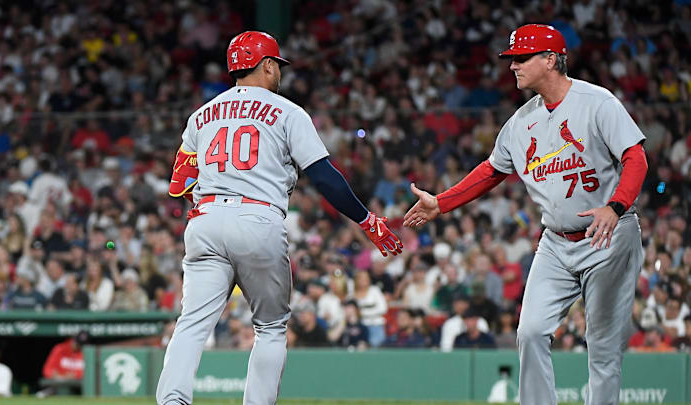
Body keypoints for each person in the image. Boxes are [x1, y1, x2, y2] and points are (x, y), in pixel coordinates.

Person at [404, 24, 647, 405]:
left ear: (551, 60)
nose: (512, 66)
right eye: (511, 59)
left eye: (521, 58)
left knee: (602, 346)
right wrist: (443, 202)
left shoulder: (597, 102)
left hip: (608, 237)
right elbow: (491, 171)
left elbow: (636, 158)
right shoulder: (521, 122)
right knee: (530, 332)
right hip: (555, 241)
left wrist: (616, 206)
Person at [156, 31, 402, 405]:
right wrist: (366, 220)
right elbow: (324, 177)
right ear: (268, 65)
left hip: (204, 219)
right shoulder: (287, 111)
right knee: (270, 327)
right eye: (277, 66)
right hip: (258, 217)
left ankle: (173, 401)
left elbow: (180, 183)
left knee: (191, 323)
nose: (279, 73)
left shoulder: (201, 115)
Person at [40, 331, 88, 396]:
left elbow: (88, 373)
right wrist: (55, 375)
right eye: (77, 343)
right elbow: (47, 370)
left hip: (77, 388)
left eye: (81, 345)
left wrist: (75, 375)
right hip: (56, 386)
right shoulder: (60, 349)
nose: (78, 346)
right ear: (73, 340)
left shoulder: (86, 352)